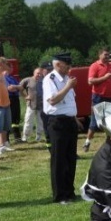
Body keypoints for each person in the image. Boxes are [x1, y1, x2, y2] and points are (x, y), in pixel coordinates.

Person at [43, 52, 80, 204]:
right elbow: (53, 100)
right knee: (59, 159)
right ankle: (60, 195)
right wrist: (68, 86)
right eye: (67, 65)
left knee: (70, 158)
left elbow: (70, 102)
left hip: (69, 121)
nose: (69, 68)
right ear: (58, 64)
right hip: (57, 122)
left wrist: (75, 118)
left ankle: (69, 191)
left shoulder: (66, 79)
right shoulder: (50, 79)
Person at [84, 48, 111, 152]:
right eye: (105, 55)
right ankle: (87, 142)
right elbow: (90, 81)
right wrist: (104, 77)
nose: (107, 57)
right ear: (100, 55)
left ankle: (110, 143)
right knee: (95, 121)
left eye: (108, 55)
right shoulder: (94, 66)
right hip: (98, 97)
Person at [19, 67, 45, 142]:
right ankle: (25, 137)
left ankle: (39, 137)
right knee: (28, 121)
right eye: (38, 73)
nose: (39, 75)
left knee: (40, 122)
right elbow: (20, 88)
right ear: (34, 73)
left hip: (41, 105)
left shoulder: (44, 80)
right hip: (31, 104)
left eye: (40, 74)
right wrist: (25, 96)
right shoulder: (27, 80)